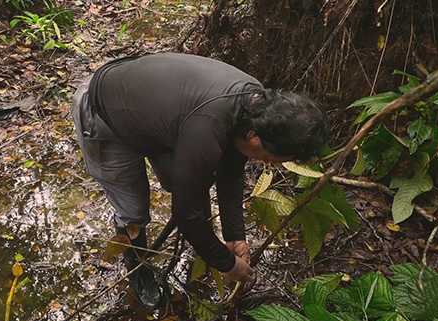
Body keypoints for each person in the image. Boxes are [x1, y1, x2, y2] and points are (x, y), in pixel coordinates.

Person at [72, 53, 327, 308]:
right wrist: (226, 263)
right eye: (271, 157)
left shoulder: (257, 105)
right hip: (101, 111)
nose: (269, 164)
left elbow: (232, 171)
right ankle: (138, 271)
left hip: (149, 113)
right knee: (134, 212)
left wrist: (235, 235)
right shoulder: (208, 125)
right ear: (254, 137)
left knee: (188, 181)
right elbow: (185, 213)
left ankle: (200, 242)